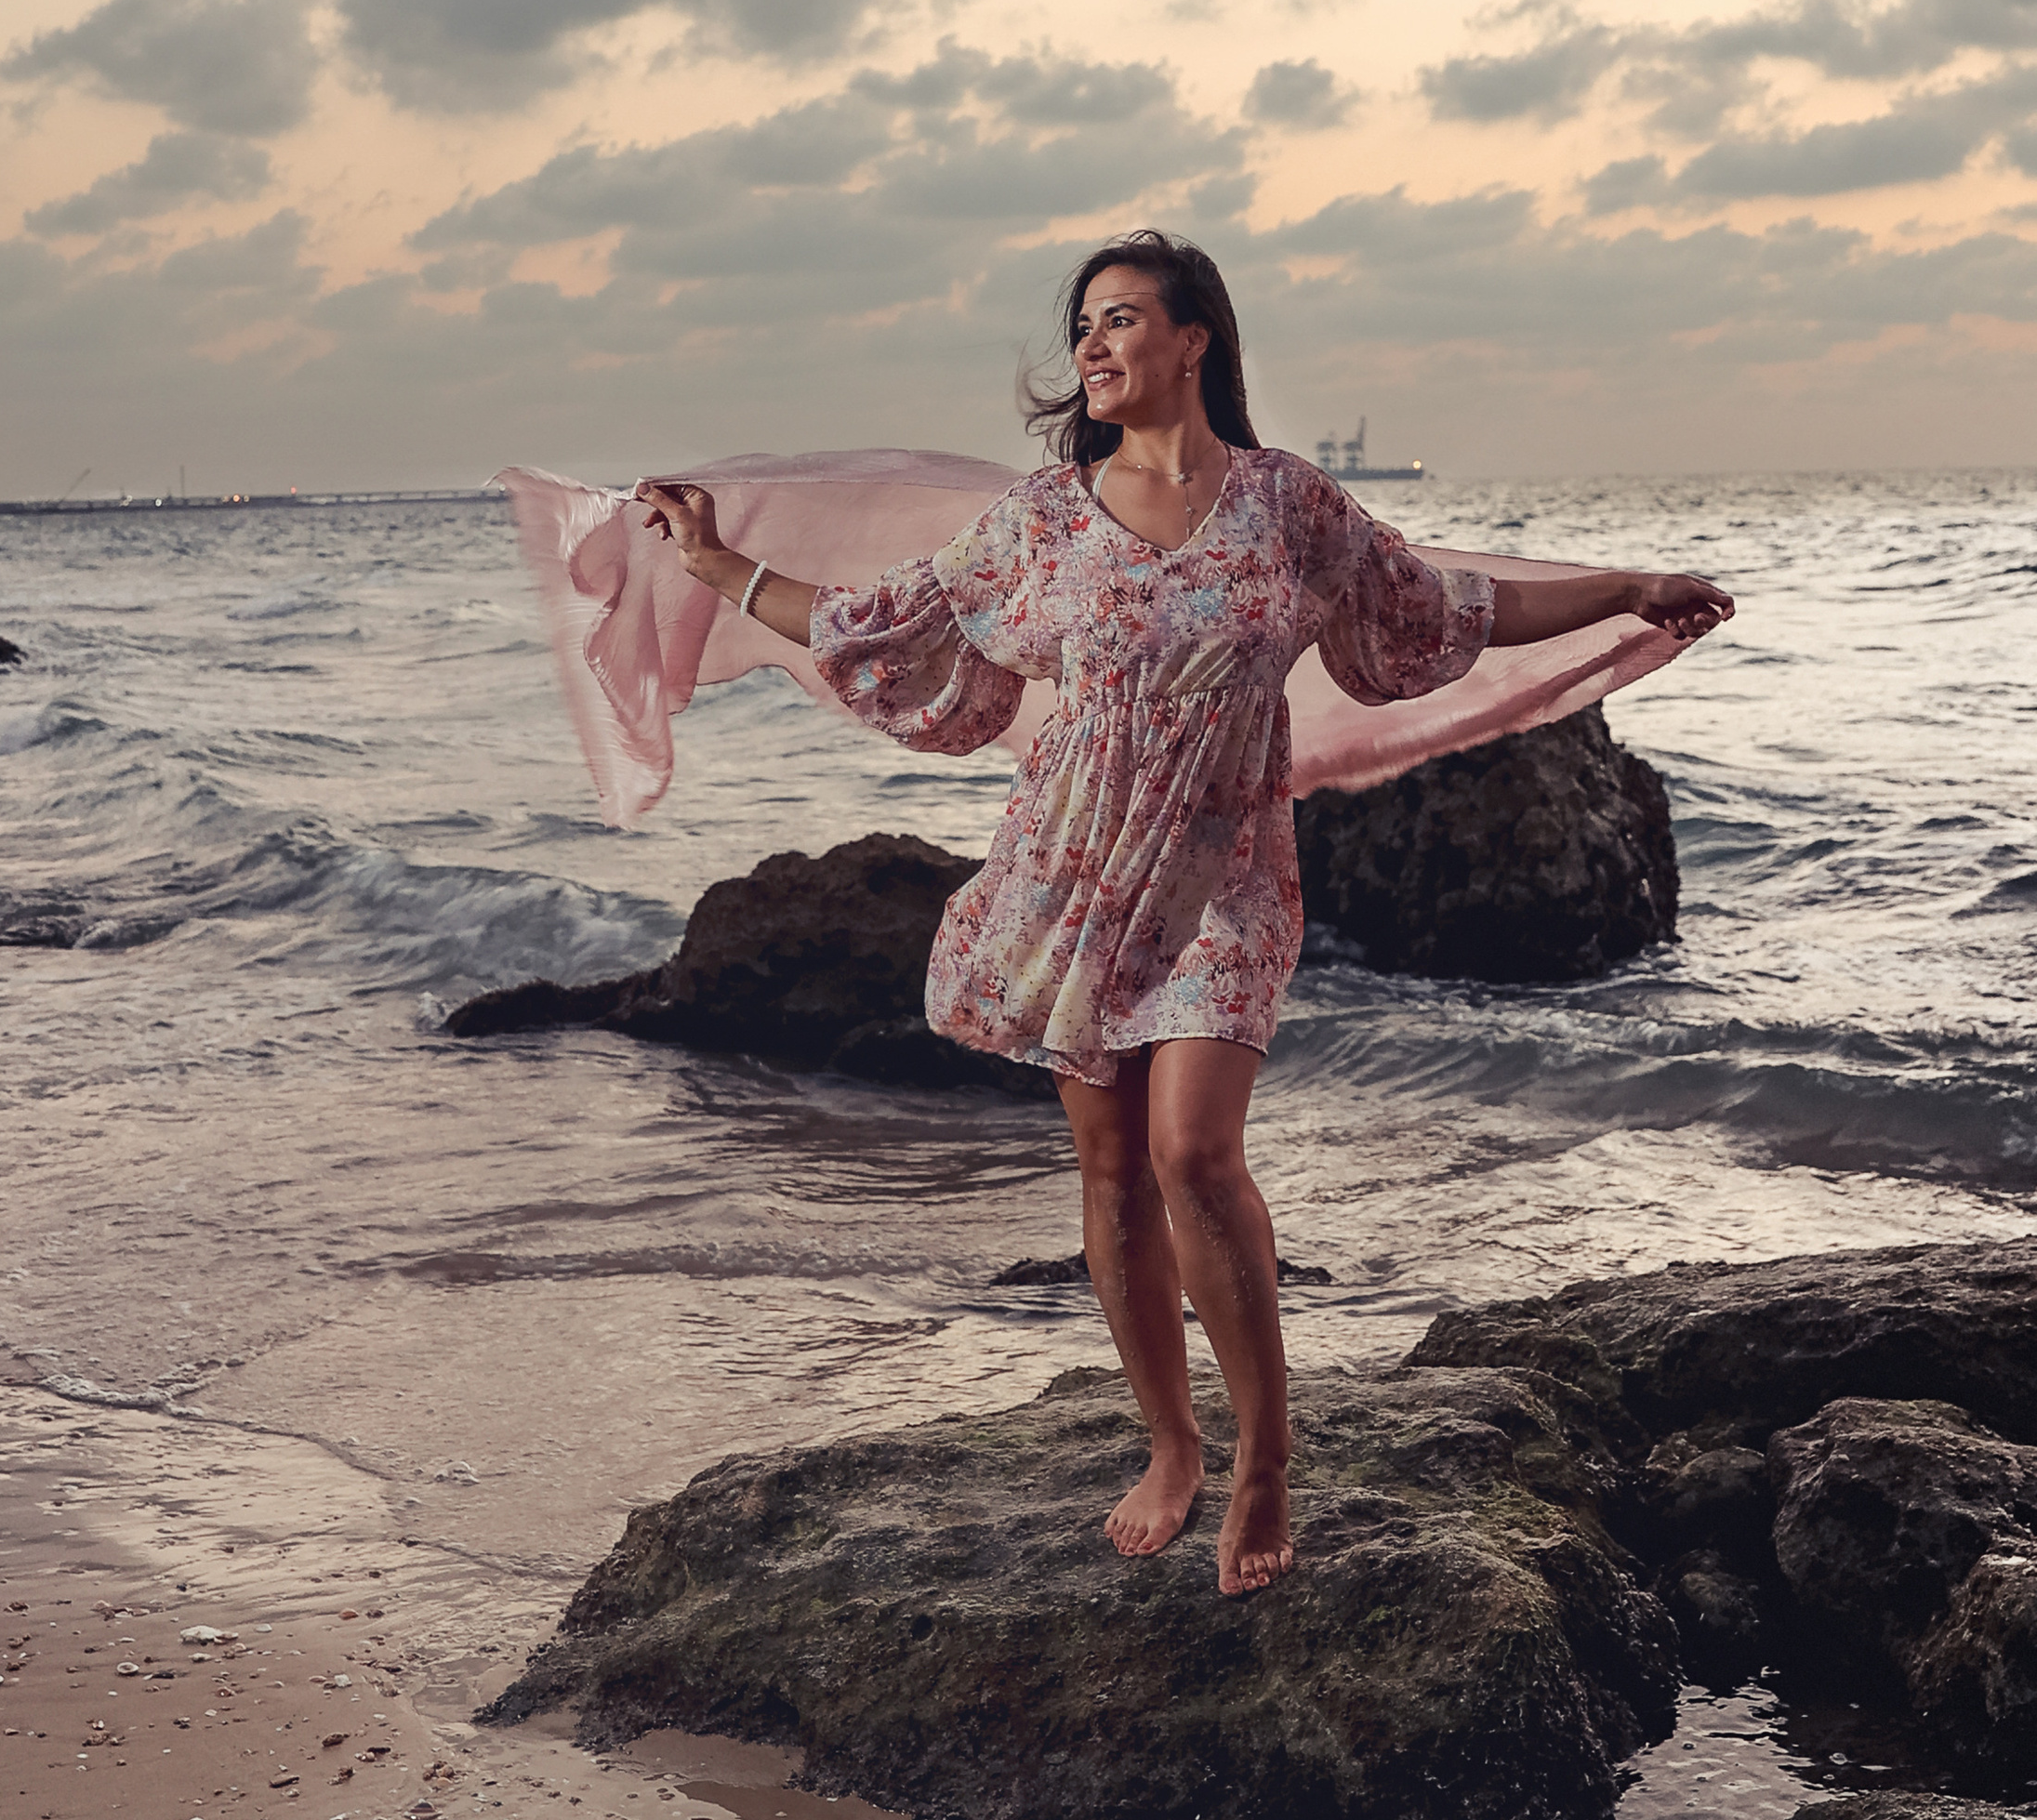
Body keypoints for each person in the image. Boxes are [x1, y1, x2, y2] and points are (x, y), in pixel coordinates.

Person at [637, 231, 1733, 1598]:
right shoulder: (1042, 523)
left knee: (1194, 1154)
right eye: (1082, 327)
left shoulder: (1286, 507)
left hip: (1224, 878)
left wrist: (1623, 589)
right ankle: (1171, 1443)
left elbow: (1446, 605)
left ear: (1195, 338)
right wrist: (712, 564)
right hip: (1073, 871)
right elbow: (876, 623)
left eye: (1120, 320)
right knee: (1109, 1176)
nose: (1091, 347)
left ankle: (1266, 1452)